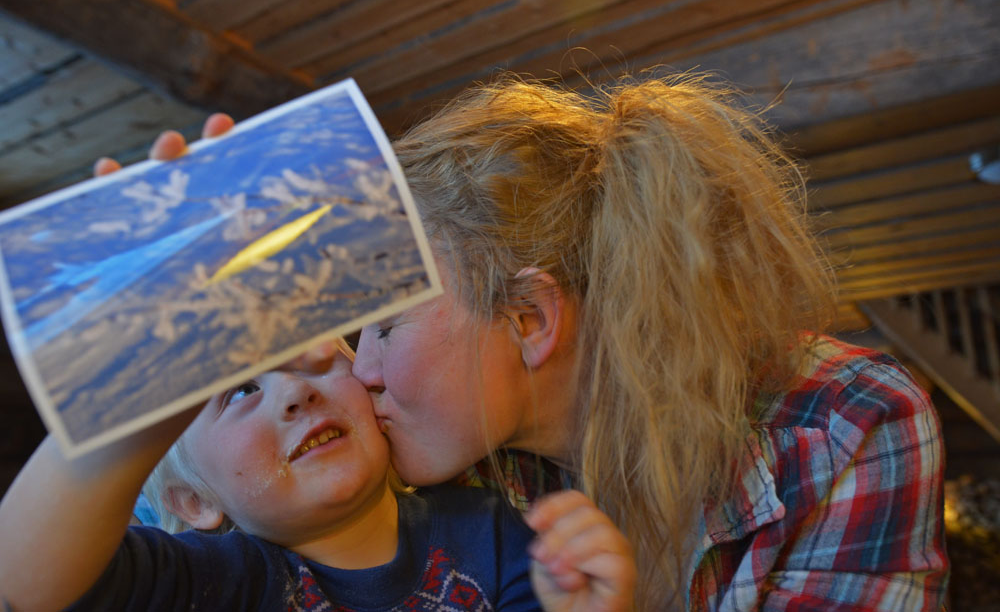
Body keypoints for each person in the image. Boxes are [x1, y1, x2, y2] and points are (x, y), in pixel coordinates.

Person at [92, 72, 949, 610]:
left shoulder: (846, 422)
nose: (363, 368)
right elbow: (172, 507)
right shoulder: (423, 449)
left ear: (530, 320)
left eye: (385, 322)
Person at [0, 338, 635, 611]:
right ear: (193, 501)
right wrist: (127, 424)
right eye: (240, 390)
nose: (294, 394)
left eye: (314, 358)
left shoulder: (492, 529)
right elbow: (27, 585)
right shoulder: (221, 581)